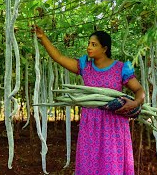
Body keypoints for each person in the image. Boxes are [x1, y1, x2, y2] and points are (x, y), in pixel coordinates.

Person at [32, 25, 145, 175]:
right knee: (89, 163)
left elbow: (139, 90)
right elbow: (59, 57)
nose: (89, 47)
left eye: (94, 44)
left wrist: (136, 102)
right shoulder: (85, 66)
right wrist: (43, 37)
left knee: (111, 165)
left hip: (114, 124)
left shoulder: (120, 68)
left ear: (104, 48)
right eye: (88, 44)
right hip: (90, 124)